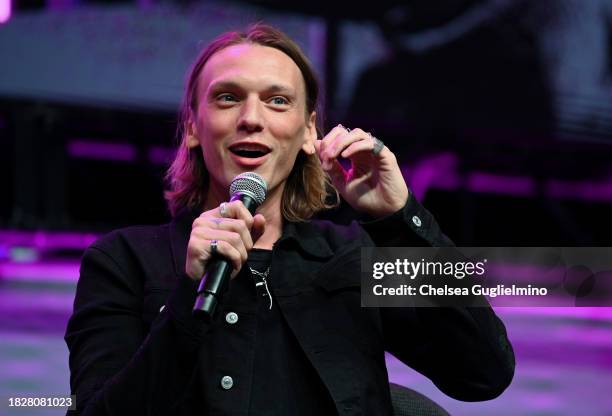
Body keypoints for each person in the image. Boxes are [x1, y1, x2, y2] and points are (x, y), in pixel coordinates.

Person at [65, 23, 514, 415]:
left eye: (277, 101)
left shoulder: (353, 258)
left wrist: (400, 221)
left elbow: (482, 374)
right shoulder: (123, 260)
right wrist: (187, 299)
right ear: (193, 128)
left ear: (307, 133)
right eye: (227, 98)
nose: (251, 119)